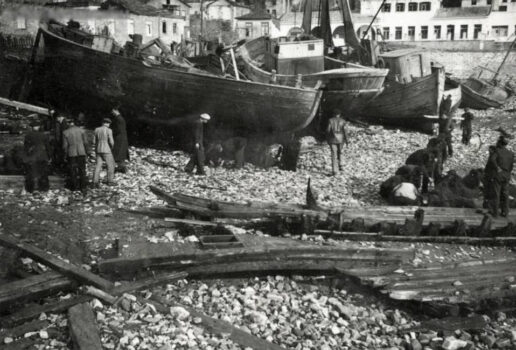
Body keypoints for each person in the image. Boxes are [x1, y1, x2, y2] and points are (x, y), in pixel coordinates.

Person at [486, 137, 514, 217]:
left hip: (498, 174)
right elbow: (511, 165)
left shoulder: (497, 151)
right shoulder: (511, 153)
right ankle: (505, 212)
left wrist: (497, 168)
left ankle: (495, 213)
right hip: (507, 174)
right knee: (505, 194)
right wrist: (507, 172)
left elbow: (492, 159)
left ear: (499, 143)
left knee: (496, 193)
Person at [23, 120, 51, 193]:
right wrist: (50, 156)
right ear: (38, 127)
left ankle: (33, 188)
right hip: (43, 155)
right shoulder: (44, 135)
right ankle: (44, 188)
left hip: (33, 156)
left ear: (32, 127)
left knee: (33, 172)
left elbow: (26, 148)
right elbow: (48, 147)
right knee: (43, 172)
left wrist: (26, 157)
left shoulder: (28, 136)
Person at [62, 118, 89, 193]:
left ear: (68, 123)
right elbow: (86, 142)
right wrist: (87, 152)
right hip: (81, 152)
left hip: (72, 153)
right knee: (82, 170)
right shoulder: (82, 131)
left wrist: (65, 155)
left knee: (73, 170)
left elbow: (65, 146)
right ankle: (83, 187)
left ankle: (74, 187)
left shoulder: (65, 132)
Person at [93, 118, 116, 187]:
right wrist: (111, 147)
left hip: (98, 150)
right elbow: (111, 142)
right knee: (111, 165)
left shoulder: (96, 129)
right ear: (106, 123)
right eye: (109, 123)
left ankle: (95, 182)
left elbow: (94, 141)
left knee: (98, 165)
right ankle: (110, 181)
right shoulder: (109, 130)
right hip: (106, 149)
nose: (109, 125)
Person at [326, 109, 348, 176]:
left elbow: (327, 130)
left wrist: (327, 137)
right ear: (339, 114)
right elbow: (345, 131)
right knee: (340, 152)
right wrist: (347, 140)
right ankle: (341, 165)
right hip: (341, 139)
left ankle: (335, 171)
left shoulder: (330, 120)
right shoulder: (343, 121)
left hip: (332, 139)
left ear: (333, 114)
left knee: (334, 154)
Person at [111, 107, 129, 173]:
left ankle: (121, 168)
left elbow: (118, 129)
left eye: (113, 111)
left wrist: (111, 132)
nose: (112, 112)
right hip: (122, 138)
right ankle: (121, 167)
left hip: (119, 139)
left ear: (116, 110)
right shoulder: (120, 118)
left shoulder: (118, 119)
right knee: (120, 154)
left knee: (117, 153)